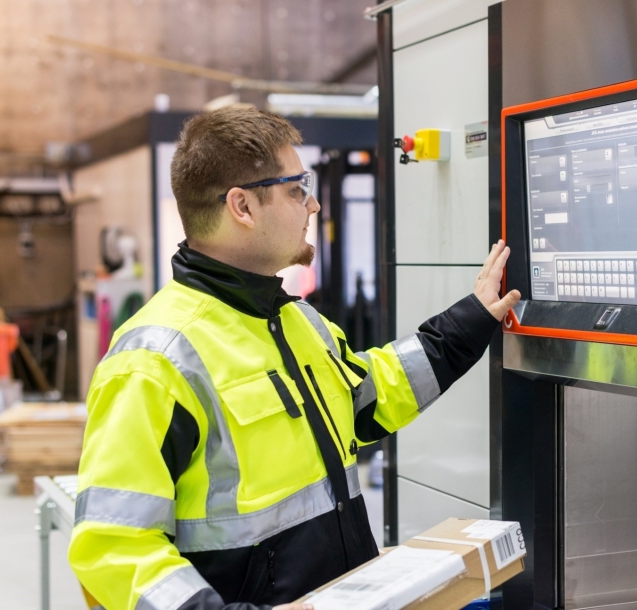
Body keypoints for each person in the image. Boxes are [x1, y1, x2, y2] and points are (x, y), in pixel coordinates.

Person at [68, 107, 521, 610]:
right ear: (242, 206)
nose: (314, 205)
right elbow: (113, 546)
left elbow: (376, 395)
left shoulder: (298, 322)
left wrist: (472, 318)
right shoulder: (154, 359)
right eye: (297, 189)